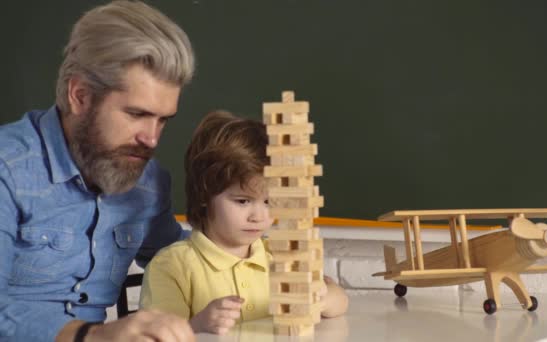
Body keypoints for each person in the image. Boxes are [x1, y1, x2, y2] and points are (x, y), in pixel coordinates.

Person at [0, 1, 197, 341]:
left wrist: (286, 274)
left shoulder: (148, 184)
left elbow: (184, 260)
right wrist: (91, 336)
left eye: (163, 120)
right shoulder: (8, 170)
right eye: (136, 114)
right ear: (80, 95)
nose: (151, 139)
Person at [139, 111, 349, 335]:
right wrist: (197, 325)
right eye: (242, 201)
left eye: (270, 202)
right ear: (203, 196)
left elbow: (340, 301)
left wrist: (320, 298)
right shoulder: (172, 266)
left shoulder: (281, 257)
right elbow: (157, 336)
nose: (258, 216)